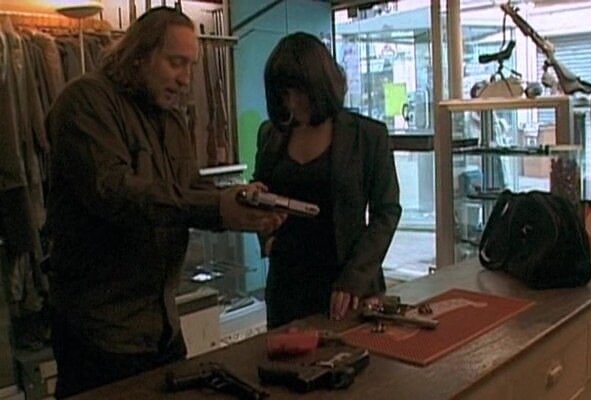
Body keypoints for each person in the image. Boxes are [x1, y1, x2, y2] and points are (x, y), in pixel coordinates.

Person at [44, 7, 285, 398]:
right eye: (176, 63)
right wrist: (217, 207)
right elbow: (116, 192)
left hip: (162, 327)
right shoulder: (85, 102)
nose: (186, 78)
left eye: (190, 66)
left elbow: (187, 189)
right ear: (139, 54)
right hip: (101, 333)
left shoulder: (170, 118)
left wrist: (239, 202)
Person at [253, 32, 402, 329]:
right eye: (284, 94)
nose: (292, 103)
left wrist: (354, 278)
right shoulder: (271, 134)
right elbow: (262, 192)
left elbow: (386, 212)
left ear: (320, 85)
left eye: (299, 92)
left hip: (348, 288)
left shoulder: (368, 136)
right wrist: (266, 236)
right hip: (287, 288)